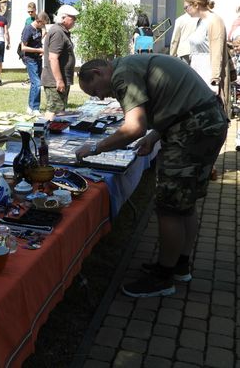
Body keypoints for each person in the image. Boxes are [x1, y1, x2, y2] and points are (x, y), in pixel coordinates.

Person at [75, 55, 227, 298]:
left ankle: (163, 278)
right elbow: (174, 104)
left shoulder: (121, 75)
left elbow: (134, 127)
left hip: (194, 130)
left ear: (98, 73)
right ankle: (179, 265)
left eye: (96, 91)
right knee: (184, 204)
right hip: (205, 123)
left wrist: (95, 147)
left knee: (169, 209)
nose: (102, 97)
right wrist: (153, 136)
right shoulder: (130, 65)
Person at [184, 0, 231, 116]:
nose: (185, 11)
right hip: (198, 71)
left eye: (186, 7)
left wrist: (215, 80)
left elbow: (217, 51)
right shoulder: (201, 21)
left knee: (211, 115)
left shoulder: (214, 21)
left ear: (196, 4)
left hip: (208, 73)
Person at [41, 4, 79, 120]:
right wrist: (59, 80)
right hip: (55, 81)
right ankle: (46, 130)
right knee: (54, 111)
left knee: (59, 111)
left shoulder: (62, 31)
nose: (75, 20)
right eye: (72, 18)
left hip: (59, 80)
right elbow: (53, 58)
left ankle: (54, 130)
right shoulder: (58, 32)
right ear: (63, 18)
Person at [21, 11, 49, 115]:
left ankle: (30, 106)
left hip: (38, 59)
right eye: (43, 24)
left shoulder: (39, 29)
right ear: (39, 21)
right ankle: (35, 108)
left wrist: (41, 51)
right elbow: (23, 47)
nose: (44, 26)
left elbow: (37, 43)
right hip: (30, 59)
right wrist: (38, 50)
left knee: (34, 83)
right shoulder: (28, 29)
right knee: (37, 83)